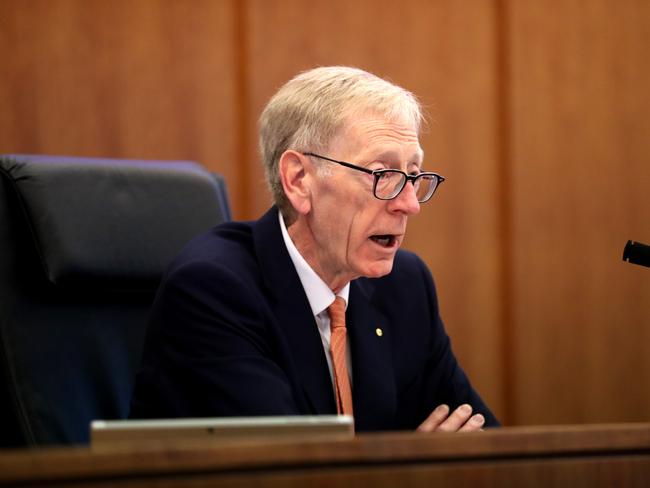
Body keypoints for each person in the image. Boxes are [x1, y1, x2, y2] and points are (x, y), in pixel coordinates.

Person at [130, 66, 499, 432]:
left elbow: (488, 448)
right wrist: (413, 471)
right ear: (299, 180)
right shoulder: (213, 292)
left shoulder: (405, 287)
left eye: (413, 175)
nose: (409, 204)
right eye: (382, 174)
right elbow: (289, 471)